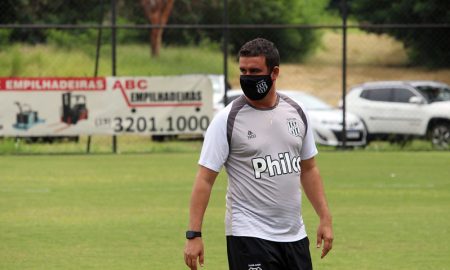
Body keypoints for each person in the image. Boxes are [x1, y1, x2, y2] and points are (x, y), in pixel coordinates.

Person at [184, 38, 333, 270]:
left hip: (294, 235)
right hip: (248, 234)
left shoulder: (297, 112)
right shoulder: (227, 119)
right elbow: (204, 179)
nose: (247, 77)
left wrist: (325, 218)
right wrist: (194, 234)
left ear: (274, 73)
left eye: (255, 71)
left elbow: (309, 169)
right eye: (243, 70)